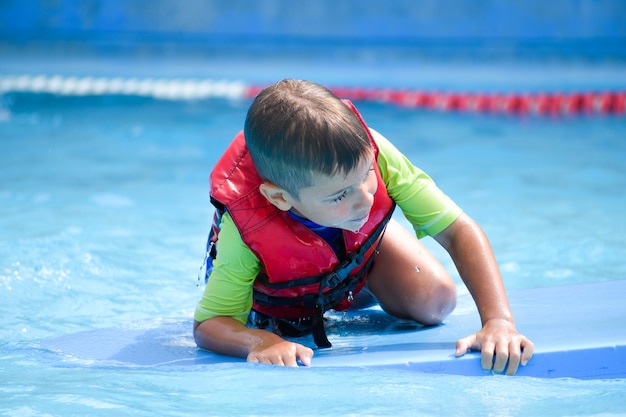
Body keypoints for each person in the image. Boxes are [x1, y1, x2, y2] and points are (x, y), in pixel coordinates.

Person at [193, 79, 534, 375]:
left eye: (367, 175)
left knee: (435, 301)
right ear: (280, 197)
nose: (366, 200)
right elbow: (209, 324)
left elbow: (458, 229)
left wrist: (499, 322)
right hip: (276, 299)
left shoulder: (371, 152)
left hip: (353, 256)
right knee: (285, 329)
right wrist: (259, 341)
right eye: (340, 194)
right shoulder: (247, 225)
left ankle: (361, 265)